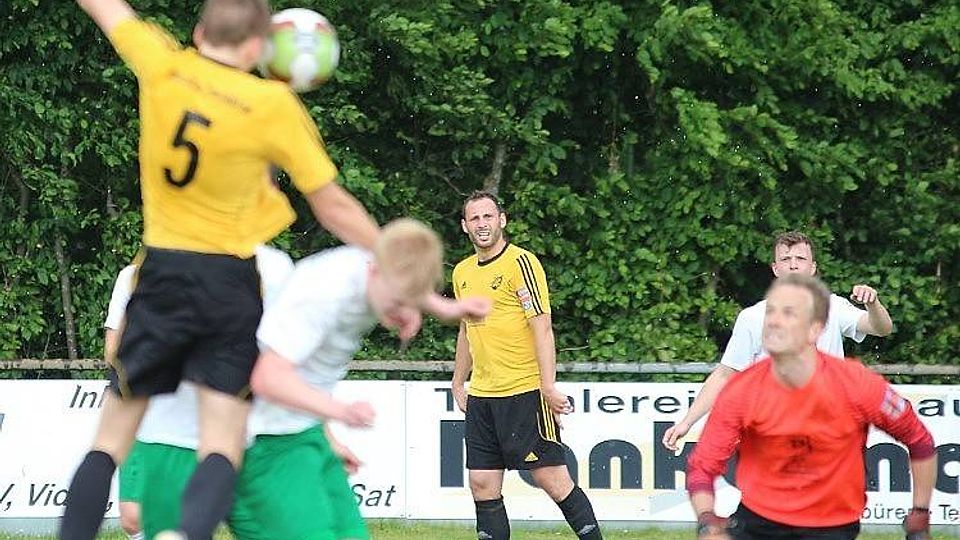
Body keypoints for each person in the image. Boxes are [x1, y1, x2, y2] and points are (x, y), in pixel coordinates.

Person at [62, 1, 383, 539]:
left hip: (161, 271)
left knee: (108, 443)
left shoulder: (163, 64)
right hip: (229, 278)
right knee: (221, 444)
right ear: (258, 47)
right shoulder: (271, 104)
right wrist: (390, 256)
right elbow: (332, 206)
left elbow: (107, 8)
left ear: (198, 31)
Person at [126, 219, 488, 539]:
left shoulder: (379, 261)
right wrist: (339, 412)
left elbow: (406, 272)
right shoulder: (324, 295)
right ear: (375, 270)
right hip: (265, 441)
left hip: (302, 432)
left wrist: (443, 307)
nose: (402, 310)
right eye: (399, 299)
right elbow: (268, 378)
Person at [685, 274, 935, 540]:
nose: (774, 321)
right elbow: (702, 467)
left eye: (788, 313)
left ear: (815, 330)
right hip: (758, 522)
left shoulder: (857, 384)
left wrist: (919, 516)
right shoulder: (742, 390)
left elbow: (919, 440)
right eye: (771, 312)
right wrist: (707, 521)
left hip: (832, 526)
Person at [105, 244, 295, 540]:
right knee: (134, 516)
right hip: (153, 421)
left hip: (226, 419)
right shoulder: (134, 276)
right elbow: (113, 350)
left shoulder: (258, 270)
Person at [451, 191, 602, 540]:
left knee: (551, 478)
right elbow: (466, 329)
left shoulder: (521, 263)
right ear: (465, 226)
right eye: (474, 218)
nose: (482, 224)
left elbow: (542, 326)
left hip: (524, 390)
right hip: (483, 397)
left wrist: (548, 386)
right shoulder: (462, 272)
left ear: (502, 220)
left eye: (488, 216)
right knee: (481, 482)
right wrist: (459, 381)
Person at [662, 231, 894, 451]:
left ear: (812, 268)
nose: (793, 265)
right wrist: (687, 422)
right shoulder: (753, 317)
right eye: (785, 259)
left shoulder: (833, 307)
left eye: (800, 259)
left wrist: (872, 303)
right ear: (775, 268)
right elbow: (725, 374)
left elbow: (881, 328)